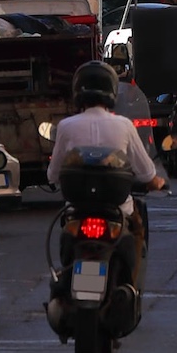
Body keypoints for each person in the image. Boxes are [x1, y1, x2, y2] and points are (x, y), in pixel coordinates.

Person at [48, 62, 164, 325]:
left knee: (65, 244)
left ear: (78, 91)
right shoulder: (124, 125)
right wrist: (156, 182)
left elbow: (52, 175)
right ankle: (131, 288)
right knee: (138, 236)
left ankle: (65, 283)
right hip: (118, 212)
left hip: (75, 212)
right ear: (112, 91)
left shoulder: (66, 126)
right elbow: (146, 172)